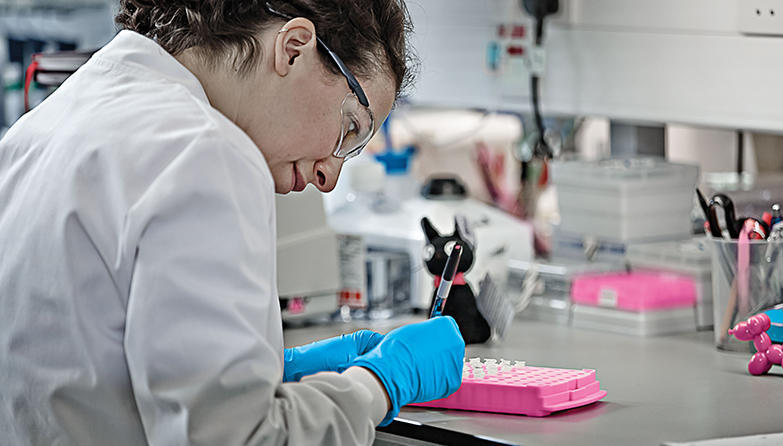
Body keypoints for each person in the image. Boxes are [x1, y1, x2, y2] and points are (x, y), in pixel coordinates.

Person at [0, 1, 465, 444]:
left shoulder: (37, 131)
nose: (329, 175)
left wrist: (260, 369)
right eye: (350, 128)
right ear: (294, 48)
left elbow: (78, 367)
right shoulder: (206, 152)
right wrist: (377, 384)